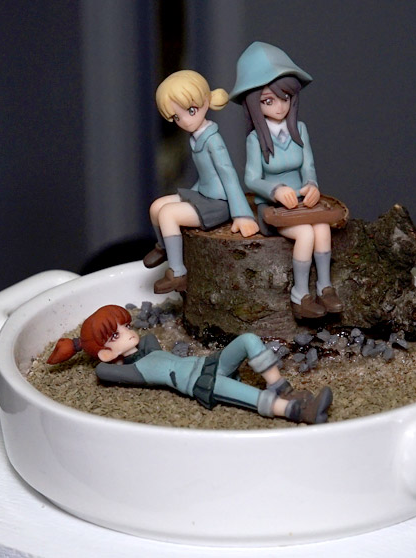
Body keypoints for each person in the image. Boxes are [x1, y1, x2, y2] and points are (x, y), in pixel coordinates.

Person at [47, 305, 333, 424]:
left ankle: (281, 387)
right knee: (247, 395)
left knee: (247, 339)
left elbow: (148, 340)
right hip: (201, 383)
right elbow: (102, 370)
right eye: (116, 335)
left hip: (208, 363)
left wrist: (119, 346)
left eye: (125, 326)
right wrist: (87, 347)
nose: (128, 332)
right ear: (106, 354)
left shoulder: (147, 351)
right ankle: (298, 411)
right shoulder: (136, 371)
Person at [229, 42, 343, 320]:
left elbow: (309, 167)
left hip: (302, 204)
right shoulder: (255, 139)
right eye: (268, 101)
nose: (279, 107)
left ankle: (325, 287)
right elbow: (251, 178)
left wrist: (312, 186)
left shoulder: (299, 130)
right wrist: (276, 189)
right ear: (254, 103)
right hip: (273, 210)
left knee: (322, 229)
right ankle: (300, 295)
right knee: (306, 234)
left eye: (286, 98)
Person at [144, 70, 259, 294]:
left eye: (191, 111)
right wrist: (191, 195)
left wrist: (242, 214)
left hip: (218, 204)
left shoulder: (213, 140)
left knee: (168, 214)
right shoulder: (195, 137)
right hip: (203, 194)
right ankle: (165, 247)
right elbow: (207, 176)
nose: (186, 121)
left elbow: (229, 176)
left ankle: (177, 273)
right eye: (177, 117)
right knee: (157, 207)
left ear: (206, 101)